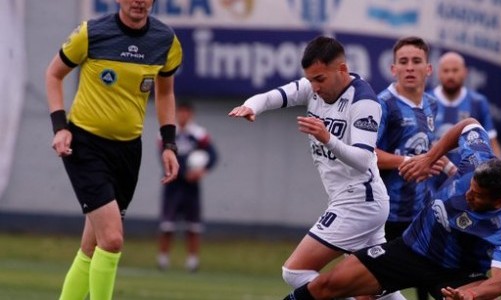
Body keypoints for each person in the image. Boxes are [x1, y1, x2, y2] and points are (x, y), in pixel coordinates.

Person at [229, 36, 404, 299]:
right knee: (382, 287)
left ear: (341, 70)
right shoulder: (312, 88)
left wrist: (328, 138)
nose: (314, 87)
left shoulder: (364, 101)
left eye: (319, 79)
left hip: (359, 202)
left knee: (295, 271)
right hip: (358, 201)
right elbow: (271, 97)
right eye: (310, 79)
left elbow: (364, 159)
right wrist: (251, 106)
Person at [283, 118, 501, 300]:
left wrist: (472, 295)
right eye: (470, 187)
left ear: (499, 202)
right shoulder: (478, 159)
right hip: (411, 249)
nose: (468, 194)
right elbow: (468, 125)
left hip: (457, 275)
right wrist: (429, 158)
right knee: (327, 285)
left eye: (477, 195)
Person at [45, 0, 182, 299]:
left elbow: (165, 91)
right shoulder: (91, 33)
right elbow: (53, 75)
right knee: (112, 240)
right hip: (85, 146)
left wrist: (169, 144)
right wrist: (60, 127)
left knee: (91, 247)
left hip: (128, 152)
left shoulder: (166, 41)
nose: (139, 1)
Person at [375, 36, 454, 300]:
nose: (410, 67)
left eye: (416, 61)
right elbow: (365, 155)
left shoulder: (431, 104)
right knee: (371, 286)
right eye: (403, 62)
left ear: (428, 69)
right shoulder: (382, 104)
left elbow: (425, 152)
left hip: (421, 211)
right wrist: (408, 162)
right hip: (385, 213)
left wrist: (446, 165)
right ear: (393, 68)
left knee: (440, 280)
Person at [157, 101, 218, 272]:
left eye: (186, 113)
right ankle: (163, 259)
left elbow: (213, 155)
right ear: (176, 113)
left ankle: (192, 261)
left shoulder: (199, 134)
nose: (183, 116)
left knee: (193, 226)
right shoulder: (168, 133)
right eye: (180, 112)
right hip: (172, 184)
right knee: (167, 225)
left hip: (192, 187)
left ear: (191, 114)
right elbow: (162, 156)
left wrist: (201, 171)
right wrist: (184, 173)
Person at [429, 51, 501, 162]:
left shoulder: (478, 102)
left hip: (466, 176)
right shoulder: (426, 101)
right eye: (446, 71)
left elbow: (491, 142)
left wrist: (499, 171)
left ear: (465, 72)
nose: (450, 75)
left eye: (455, 70)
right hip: (431, 175)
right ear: (438, 73)